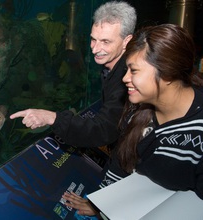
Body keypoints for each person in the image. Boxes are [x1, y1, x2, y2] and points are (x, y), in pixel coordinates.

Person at [62, 24, 203, 216]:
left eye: (134, 71)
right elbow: (122, 161)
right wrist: (100, 204)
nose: (125, 78)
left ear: (168, 73)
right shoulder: (137, 110)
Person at [10, 1, 137, 149]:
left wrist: (52, 118)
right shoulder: (113, 68)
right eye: (93, 39)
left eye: (105, 42)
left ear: (126, 41)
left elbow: (104, 130)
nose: (95, 49)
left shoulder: (128, 78)